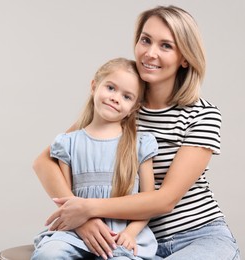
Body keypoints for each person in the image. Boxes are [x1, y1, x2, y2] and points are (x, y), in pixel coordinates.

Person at [33, 5, 241, 260]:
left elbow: (164, 200)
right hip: (128, 240)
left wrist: (87, 208)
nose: (150, 53)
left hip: (198, 237)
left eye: (166, 46)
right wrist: (80, 219)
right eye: (146, 40)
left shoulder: (202, 115)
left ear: (185, 57)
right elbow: (44, 162)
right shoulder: (121, 105)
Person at [31, 58, 158, 260]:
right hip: (75, 232)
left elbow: (150, 202)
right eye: (110, 88)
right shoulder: (67, 143)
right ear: (94, 86)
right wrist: (78, 224)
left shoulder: (140, 145)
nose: (116, 98)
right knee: (49, 253)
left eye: (127, 96)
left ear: (134, 107)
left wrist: (130, 233)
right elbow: (67, 199)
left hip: (121, 236)